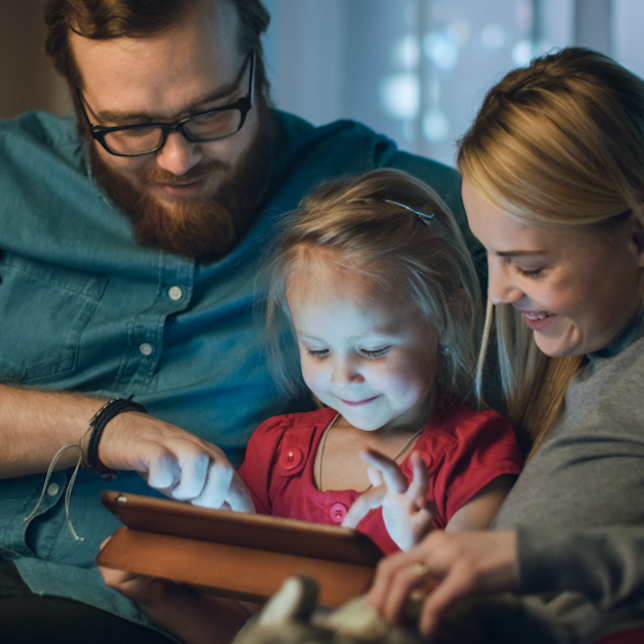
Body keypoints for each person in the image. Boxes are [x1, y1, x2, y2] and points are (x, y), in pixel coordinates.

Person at [0, 1, 483, 642]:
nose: (177, 160)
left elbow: (566, 227)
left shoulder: (368, 202)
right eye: (131, 128)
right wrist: (104, 430)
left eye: (211, 112)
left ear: (256, 60)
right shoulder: (13, 176)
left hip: (119, 609)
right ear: (79, 97)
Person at [100, 168, 523, 644]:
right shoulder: (278, 450)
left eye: (375, 349)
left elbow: (472, 622)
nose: (342, 376)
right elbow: (248, 630)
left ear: (448, 320)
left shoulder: (474, 451)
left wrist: (422, 551)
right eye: (318, 350)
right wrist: (159, 593)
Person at [364, 47, 644, 644]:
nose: (497, 293)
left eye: (530, 266)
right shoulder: (582, 360)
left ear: (637, 237)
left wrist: (518, 558)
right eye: (490, 256)